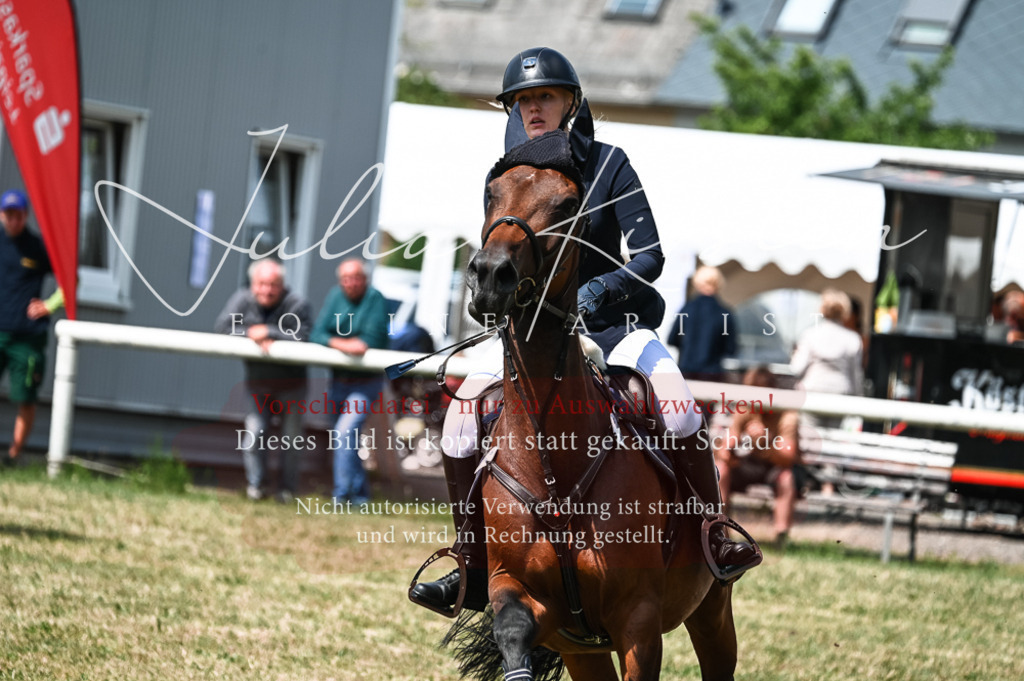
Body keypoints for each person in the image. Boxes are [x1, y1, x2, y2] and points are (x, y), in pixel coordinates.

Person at [410, 47, 760, 613]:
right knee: (457, 423)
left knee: (678, 409)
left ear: (570, 101)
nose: (533, 109)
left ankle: (711, 538)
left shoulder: (611, 163)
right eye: (522, 100)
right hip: (530, 337)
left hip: (613, 326)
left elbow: (650, 256)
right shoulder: (505, 178)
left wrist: (593, 293)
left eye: (544, 96)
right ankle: (472, 562)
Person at [215, 259, 312, 501]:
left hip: (292, 386)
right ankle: (256, 487)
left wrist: (270, 332)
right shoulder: (242, 300)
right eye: (261, 284)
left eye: (273, 285)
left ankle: (287, 491)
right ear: (253, 284)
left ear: (282, 285)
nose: (267, 290)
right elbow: (222, 327)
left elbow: (304, 336)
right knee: (255, 435)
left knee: (291, 440)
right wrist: (250, 333)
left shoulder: (296, 304)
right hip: (258, 384)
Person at [310, 259, 389, 505]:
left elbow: (371, 339)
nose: (350, 283)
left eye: (355, 277)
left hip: (366, 383)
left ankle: (341, 495)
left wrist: (334, 340)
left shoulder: (376, 299)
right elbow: (317, 333)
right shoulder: (335, 296)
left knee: (345, 433)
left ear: (365, 279)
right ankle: (360, 495)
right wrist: (341, 343)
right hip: (338, 380)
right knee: (344, 438)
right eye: (345, 278)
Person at [0, 189, 64, 466]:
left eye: (18, 215)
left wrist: (50, 305)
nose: (13, 220)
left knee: (24, 398)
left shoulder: (38, 247)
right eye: (8, 215)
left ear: (25, 216)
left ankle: (13, 457)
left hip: (27, 338)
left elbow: (70, 279)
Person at [715, 367, 801, 547]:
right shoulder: (745, 408)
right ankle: (720, 532)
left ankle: (781, 538)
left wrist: (766, 443)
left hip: (774, 466)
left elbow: (788, 458)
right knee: (721, 470)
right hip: (749, 463)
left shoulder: (787, 416)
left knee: (786, 478)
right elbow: (724, 447)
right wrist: (728, 455)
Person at [790, 289, 863, 429]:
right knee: (833, 440)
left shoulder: (810, 335)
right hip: (839, 397)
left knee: (809, 439)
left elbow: (797, 368)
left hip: (812, 394)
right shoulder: (853, 339)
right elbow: (856, 375)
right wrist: (858, 398)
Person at [669, 265, 736, 382]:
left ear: (697, 283)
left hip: (686, 374)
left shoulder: (686, 309)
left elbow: (671, 339)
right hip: (712, 376)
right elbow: (730, 348)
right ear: (719, 284)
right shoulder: (725, 313)